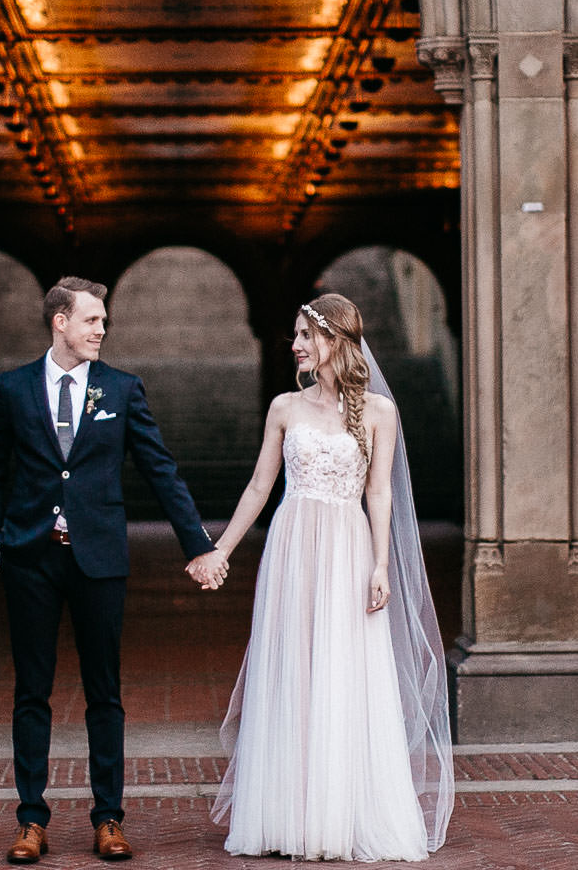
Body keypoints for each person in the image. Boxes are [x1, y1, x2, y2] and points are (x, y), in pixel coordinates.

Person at [0, 276, 228, 864]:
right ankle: (31, 820)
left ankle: (108, 818)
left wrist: (197, 544)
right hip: (30, 559)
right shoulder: (12, 388)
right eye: (92, 320)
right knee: (31, 692)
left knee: (104, 693)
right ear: (59, 322)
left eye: (104, 320)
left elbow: (160, 470)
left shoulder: (122, 388)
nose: (102, 329)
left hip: (100, 560)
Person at [204, 292, 454, 860]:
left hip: (347, 547)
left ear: (335, 341)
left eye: (305, 335)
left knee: (344, 671)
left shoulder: (381, 413)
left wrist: (381, 564)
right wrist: (222, 550)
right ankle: (288, 814)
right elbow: (259, 487)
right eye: (295, 335)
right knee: (293, 669)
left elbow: (380, 493)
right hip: (292, 549)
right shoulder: (284, 408)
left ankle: (341, 814)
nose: (294, 344)